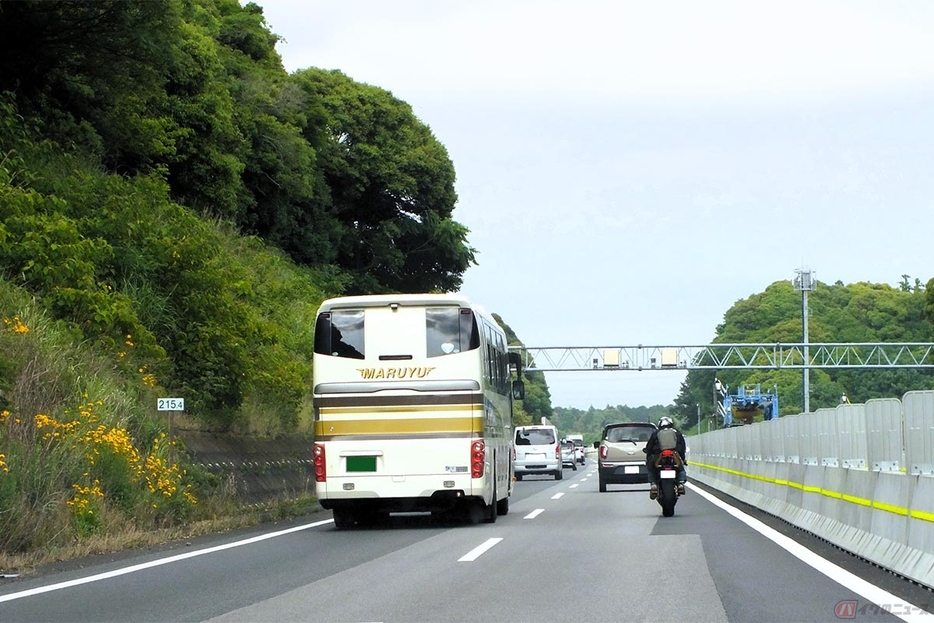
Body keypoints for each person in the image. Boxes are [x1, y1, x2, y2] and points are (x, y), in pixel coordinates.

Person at [643, 416, 687, 499]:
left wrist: (648, 458)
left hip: (658, 456)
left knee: (651, 469)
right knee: (681, 468)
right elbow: (682, 447)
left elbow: (649, 448)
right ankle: (680, 483)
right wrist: (683, 459)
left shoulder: (655, 433)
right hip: (674, 455)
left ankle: (653, 484)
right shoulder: (677, 432)